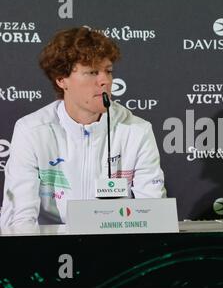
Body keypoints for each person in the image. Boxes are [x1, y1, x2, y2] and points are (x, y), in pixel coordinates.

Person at [0, 27, 166, 227]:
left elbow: (154, 216)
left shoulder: (137, 131)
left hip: (117, 248)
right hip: (50, 248)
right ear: (61, 80)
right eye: (92, 72)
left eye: (108, 71)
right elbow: (19, 221)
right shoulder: (32, 131)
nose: (105, 80)